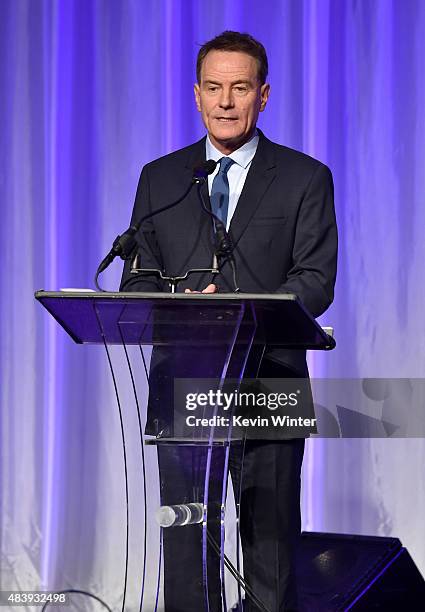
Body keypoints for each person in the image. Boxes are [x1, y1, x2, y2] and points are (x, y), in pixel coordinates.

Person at [121, 31, 337, 612]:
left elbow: (314, 282)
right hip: (185, 387)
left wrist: (237, 305)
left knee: (270, 550)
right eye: (213, 88)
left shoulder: (304, 178)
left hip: (271, 386)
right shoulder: (160, 180)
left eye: (239, 88)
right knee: (187, 549)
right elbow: (136, 283)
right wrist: (189, 299)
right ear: (195, 95)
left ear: (262, 96)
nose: (225, 102)